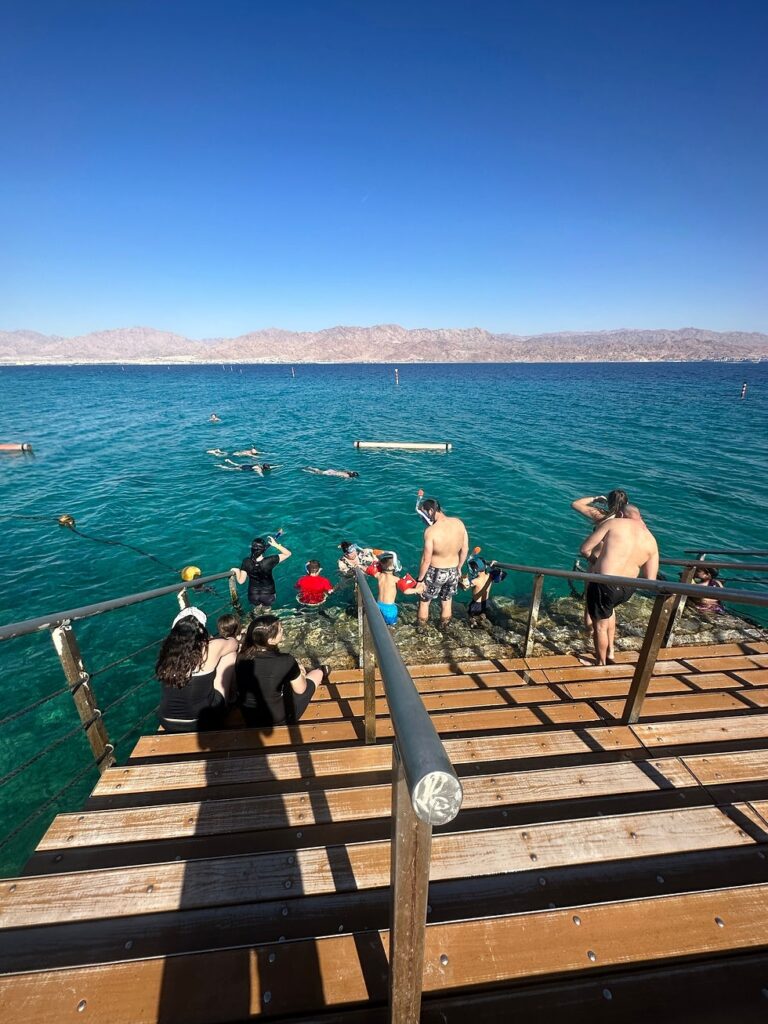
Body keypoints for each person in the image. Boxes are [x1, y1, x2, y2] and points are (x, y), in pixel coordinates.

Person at [579, 516, 659, 666]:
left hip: (605, 584)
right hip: (627, 588)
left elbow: (584, 549)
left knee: (600, 626)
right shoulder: (651, 540)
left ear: (622, 515)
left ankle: (600, 662)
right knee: (609, 614)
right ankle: (611, 652)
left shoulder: (614, 523)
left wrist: (597, 563)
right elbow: (650, 578)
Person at [155, 607, 238, 732]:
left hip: (166, 721)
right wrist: (212, 641)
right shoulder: (210, 647)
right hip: (203, 722)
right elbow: (234, 643)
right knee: (229, 655)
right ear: (201, 630)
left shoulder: (166, 652)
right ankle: (230, 700)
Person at [235, 615, 327, 726]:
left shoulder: (241, 657)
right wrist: (301, 673)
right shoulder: (286, 660)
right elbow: (301, 690)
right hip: (278, 718)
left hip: (250, 717)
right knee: (316, 674)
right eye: (280, 630)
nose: (283, 630)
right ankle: (323, 670)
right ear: (270, 640)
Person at [413, 497, 469, 628]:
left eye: (425, 513)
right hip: (453, 570)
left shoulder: (431, 531)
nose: (425, 516)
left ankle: (421, 630)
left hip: (436, 571)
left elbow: (426, 560)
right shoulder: (459, 523)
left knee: (425, 601)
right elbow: (465, 549)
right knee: (447, 601)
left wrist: (420, 580)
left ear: (431, 510)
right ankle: (444, 628)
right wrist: (459, 567)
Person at [231, 535, 292, 609]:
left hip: (253, 595)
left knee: (256, 612)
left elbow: (241, 581)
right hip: (268, 594)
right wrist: (275, 545)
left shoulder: (246, 561)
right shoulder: (270, 560)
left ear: (252, 549)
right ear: (263, 550)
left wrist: (237, 571)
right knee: (266, 612)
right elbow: (288, 553)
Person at [367, 554, 418, 626]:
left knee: (379, 624)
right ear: (394, 566)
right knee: (391, 626)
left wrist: (359, 566)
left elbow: (368, 570)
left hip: (378, 605)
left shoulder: (379, 575)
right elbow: (406, 591)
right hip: (389, 609)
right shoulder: (395, 579)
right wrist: (418, 590)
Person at [465, 549, 506, 628]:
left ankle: (474, 626)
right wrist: (494, 563)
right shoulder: (490, 576)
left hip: (475, 605)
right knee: (483, 614)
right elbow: (497, 572)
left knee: (471, 618)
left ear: (475, 571)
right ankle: (483, 623)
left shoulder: (475, 581)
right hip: (486, 602)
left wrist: (463, 581)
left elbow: (465, 587)